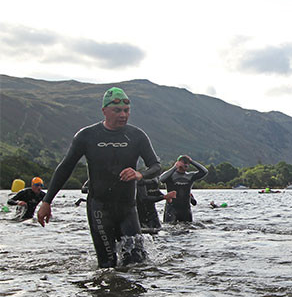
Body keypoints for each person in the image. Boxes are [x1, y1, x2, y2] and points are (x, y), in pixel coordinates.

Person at [37, 87, 161, 268]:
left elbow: (156, 166)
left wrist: (139, 174)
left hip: (128, 209)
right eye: (117, 110)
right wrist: (47, 202)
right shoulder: (87, 136)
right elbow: (65, 168)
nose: (123, 115)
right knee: (107, 265)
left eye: (126, 111)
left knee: (137, 264)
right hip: (100, 209)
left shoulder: (137, 136)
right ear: (104, 111)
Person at [159, 155, 207, 223]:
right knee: (170, 228)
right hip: (172, 209)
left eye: (187, 162)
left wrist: (192, 161)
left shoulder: (190, 176)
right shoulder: (170, 176)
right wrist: (175, 167)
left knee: (187, 229)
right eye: (183, 162)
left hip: (186, 209)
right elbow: (161, 179)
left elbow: (204, 172)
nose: (185, 164)